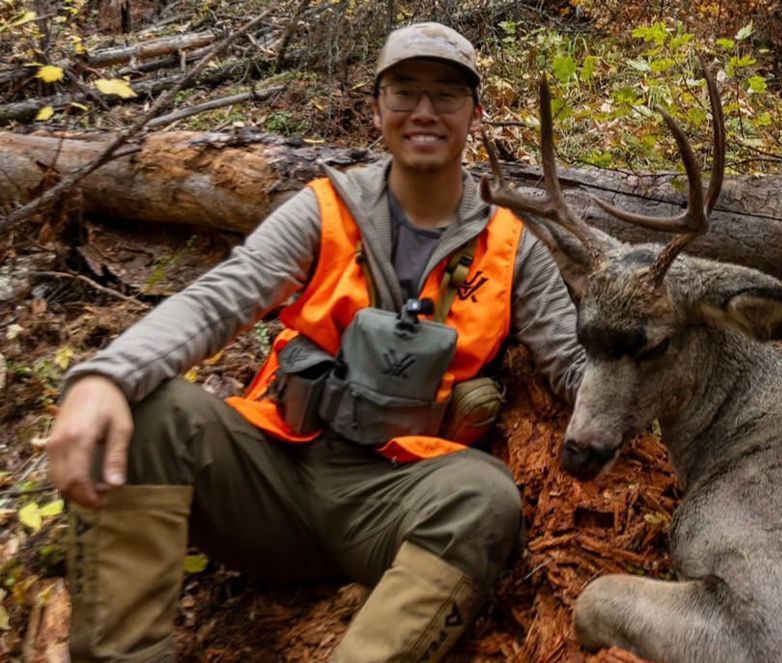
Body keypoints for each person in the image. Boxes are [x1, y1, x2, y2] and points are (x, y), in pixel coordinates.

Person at [48, 22, 584, 663]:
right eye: (403, 91)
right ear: (376, 107)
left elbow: (574, 366)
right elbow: (223, 298)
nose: (423, 111)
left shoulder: (512, 245)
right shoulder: (326, 209)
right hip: (275, 476)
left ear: (475, 112)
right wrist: (105, 376)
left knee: (486, 497)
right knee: (148, 412)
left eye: (445, 95)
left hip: (396, 498)